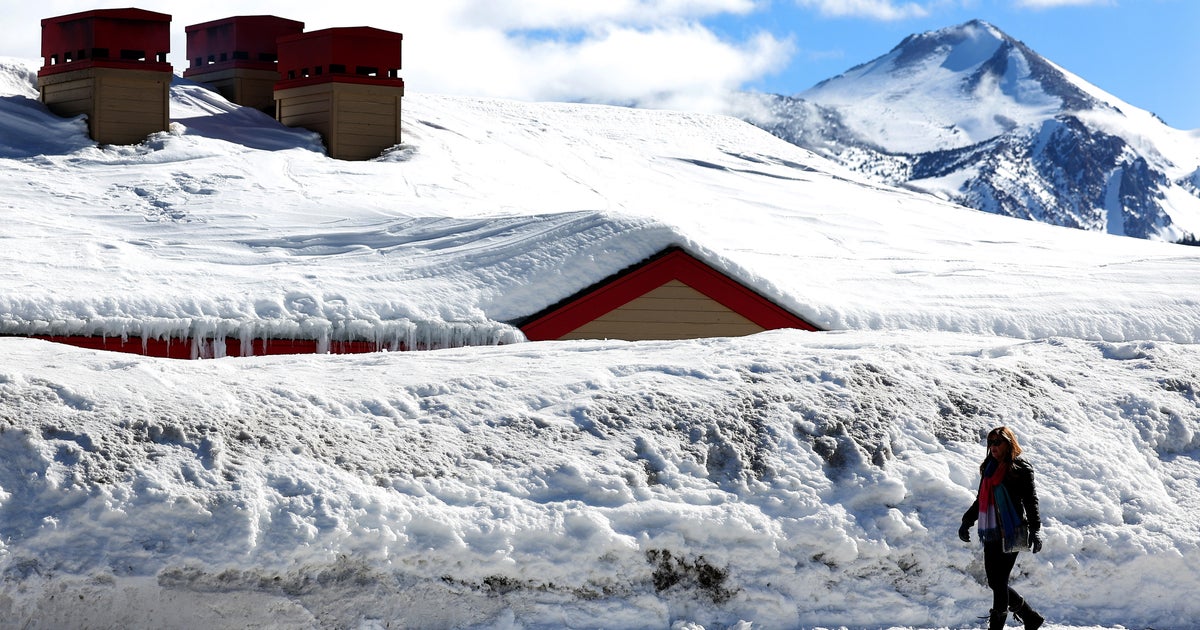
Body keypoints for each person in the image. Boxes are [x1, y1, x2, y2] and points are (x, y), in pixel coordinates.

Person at [958, 426, 1044, 630]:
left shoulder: (1021, 469)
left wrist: (1036, 529)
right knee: (995, 583)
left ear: (1009, 443)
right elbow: (981, 499)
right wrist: (967, 521)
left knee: (999, 582)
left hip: (1012, 531)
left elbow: (1031, 501)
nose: (993, 446)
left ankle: (996, 627)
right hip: (991, 532)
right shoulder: (988, 467)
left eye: (998, 442)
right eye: (990, 442)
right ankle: (1030, 616)